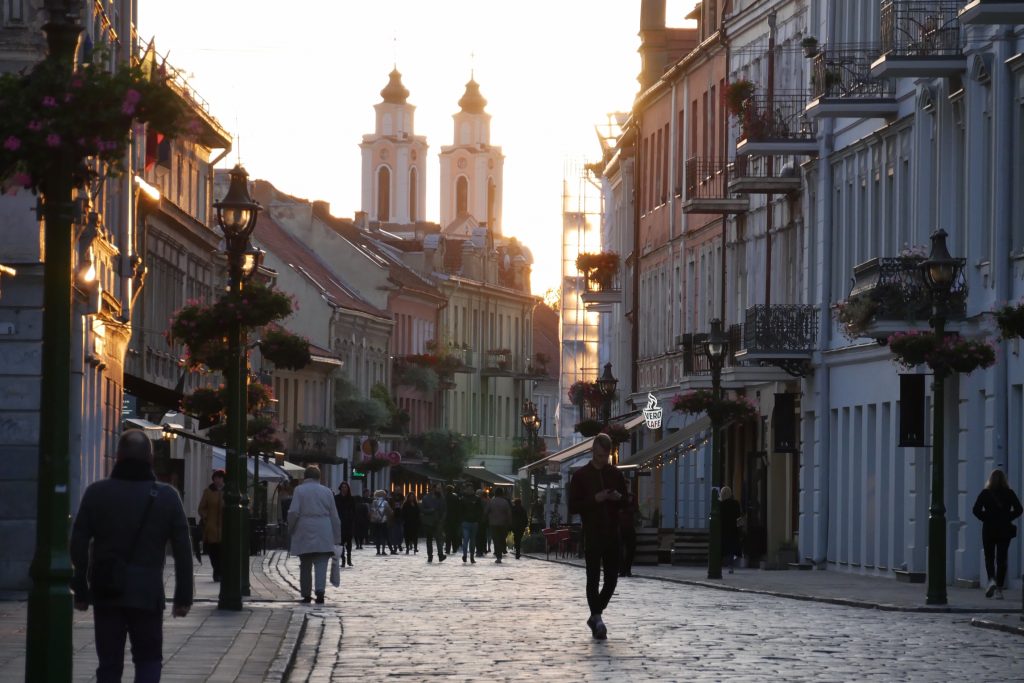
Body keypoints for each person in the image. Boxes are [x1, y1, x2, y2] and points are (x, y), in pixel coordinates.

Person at [70, 429, 193, 682]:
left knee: (109, 663)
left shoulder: (97, 493)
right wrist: (183, 596)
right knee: (148, 659)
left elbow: (79, 542)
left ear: (118, 457)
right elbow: (183, 550)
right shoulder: (167, 497)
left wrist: (81, 589)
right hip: (147, 593)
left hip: (106, 591)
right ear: (150, 459)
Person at [568, 432, 626, 641]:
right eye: (600, 455)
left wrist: (618, 498)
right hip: (592, 532)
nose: (603, 459)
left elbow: (627, 503)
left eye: (606, 456)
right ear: (593, 451)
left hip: (612, 532)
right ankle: (598, 620)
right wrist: (596, 498)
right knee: (592, 578)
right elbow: (573, 506)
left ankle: (595, 614)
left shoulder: (615, 474)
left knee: (611, 579)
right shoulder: (581, 476)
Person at [288, 466, 342, 604]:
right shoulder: (327, 491)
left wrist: (291, 528)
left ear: (305, 476)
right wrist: (337, 538)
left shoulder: (299, 490)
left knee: (305, 564)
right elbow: (334, 516)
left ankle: (306, 594)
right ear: (319, 477)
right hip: (324, 529)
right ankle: (320, 592)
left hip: (304, 528)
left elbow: (293, 512)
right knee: (321, 563)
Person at [972, 468, 1022, 599]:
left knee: (989, 557)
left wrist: (986, 517)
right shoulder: (1009, 493)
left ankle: (991, 581)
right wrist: (1007, 517)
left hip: (989, 529)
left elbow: (975, 510)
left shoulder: (985, 493)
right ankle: (999, 588)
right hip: (1004, 529)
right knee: (1002, 558)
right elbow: (1019, 509)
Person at [197, 469, 225, 582]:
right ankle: (216, 571)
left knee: (222, 552)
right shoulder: (208, 492)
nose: (217, 480)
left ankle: (221, 572)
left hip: (224, 528)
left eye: (219, 478)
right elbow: (201, 508)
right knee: (213, 552)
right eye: (215, 478)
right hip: (211, 527)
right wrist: (206, 517)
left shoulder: (228, 492)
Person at [718, 486, 743, 575]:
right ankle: (731, 566)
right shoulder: (735, 503)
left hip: (723, 529)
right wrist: (740, 528)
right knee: (731, 549)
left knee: (722, 548)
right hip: (733, 529)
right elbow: (739, 517)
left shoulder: (720, 505)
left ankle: (718, 565)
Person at [420, 483, 447, 563]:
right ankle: (430, 555)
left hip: (438, 521)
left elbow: (445, 510)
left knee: (439, 539)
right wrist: (430, 510)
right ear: (434, 489)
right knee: (429, 539)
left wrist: (442, 519)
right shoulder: (426, 498)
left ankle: (440, 555)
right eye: (438, 488)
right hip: (429, 522)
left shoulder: (442, 498)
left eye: (440, 488)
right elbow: (422, 509)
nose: (439, 490)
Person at [485, 488, 513, 563]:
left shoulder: (491, 501)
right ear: (502, 494)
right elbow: (509, 514)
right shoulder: (505, 502)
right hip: (503, 524)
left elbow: (486, 511)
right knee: (501, 539)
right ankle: (501, 552)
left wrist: (486, 520)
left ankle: (498, 556)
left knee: (496, 540)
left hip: (493, 524)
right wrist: (510, 523)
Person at [460, 483, 484, 564]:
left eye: (471, 489)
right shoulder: (462, 499)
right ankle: (465, 555)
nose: (469, 491)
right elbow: (460, 510)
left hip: (474, 522)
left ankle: (472, 556)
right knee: (466, 539)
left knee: (472, 540)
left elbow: (480, 510)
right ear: (466, 490)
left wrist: (478, 519)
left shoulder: (477, 499)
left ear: (473, 490)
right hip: (465, 522)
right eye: (468, 489)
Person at [334, 482, 356, 567]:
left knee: (349, 542)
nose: (344, 489)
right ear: (340, 488)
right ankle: (343, 559)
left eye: (345, 487)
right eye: (343, 487)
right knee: (341, 543)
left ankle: (349, 559)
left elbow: (354, 510)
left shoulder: (351, 499)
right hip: (340, 522)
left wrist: (352, 519)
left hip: (349, 523)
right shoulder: (336, 498)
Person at [618, 490, 639, 577]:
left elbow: (635, 509)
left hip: (629, 526)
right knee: (619, 549)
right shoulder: (617, 495)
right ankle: (622, 570)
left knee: (631, 548)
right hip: (619, 526)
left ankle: (627, 569)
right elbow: (616, 509)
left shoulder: (632, 496)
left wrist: (625, 509)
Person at [369, 489, 392, 555]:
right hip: (383, 521)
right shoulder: (385, 502)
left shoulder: (374, 502)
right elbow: (389, 511)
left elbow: (372, 511)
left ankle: (378, 551)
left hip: (376, 521)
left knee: (377, 537)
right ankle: (383, 550)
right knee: (384, 537)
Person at [444, 484, 462, 555]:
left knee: (448, 535)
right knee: (454, 534)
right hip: (454, 518)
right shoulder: (455, 497)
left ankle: (447, 549)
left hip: (446, 518)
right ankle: (454, 548)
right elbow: (459, 508)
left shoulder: (444, 497)